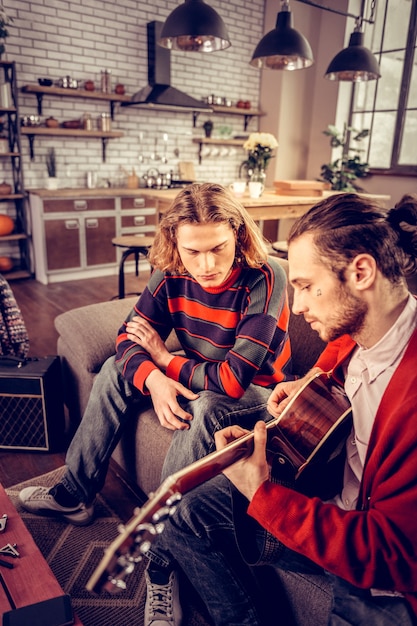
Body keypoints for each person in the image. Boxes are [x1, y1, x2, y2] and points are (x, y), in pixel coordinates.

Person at [144, 192, 417, 626]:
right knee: (182, 511)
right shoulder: (356, 337)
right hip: (330, 492)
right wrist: (306, 388)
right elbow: (338, 389)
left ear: (362, 272)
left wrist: (261, 493)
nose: (300, 304)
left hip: (374, 568)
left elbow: (391, 558)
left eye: (307, 286)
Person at [19, 182, 294, 529]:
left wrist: (165, 361)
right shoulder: (172, 271)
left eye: (217, 248)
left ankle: (162, 534)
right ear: (175, 243)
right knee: (114, 369)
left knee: (207, 404)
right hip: (202, 376)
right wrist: (154, 378)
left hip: (262, 394)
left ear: (237, 235)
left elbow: (232, 380)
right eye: (193, 251)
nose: (206, 265)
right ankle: (75, 495)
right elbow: (127, 337)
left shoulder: (265, 276)